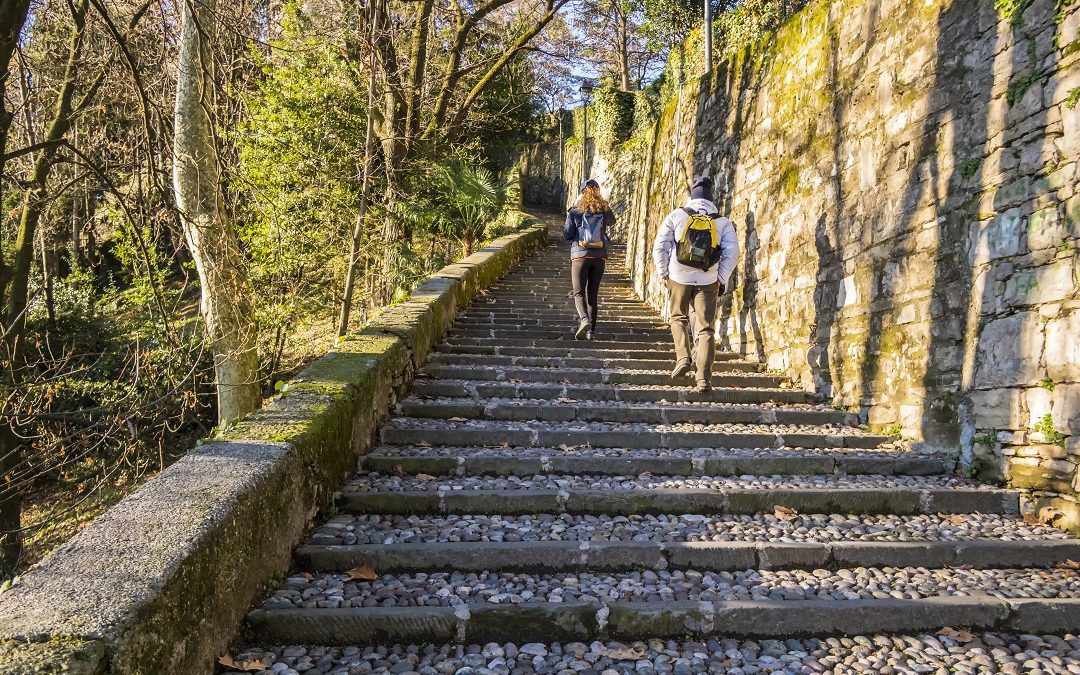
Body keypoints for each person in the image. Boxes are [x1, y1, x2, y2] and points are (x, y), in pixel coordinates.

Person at [652, 175, 739, 392]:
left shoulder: (678, 215)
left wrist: (664, 274)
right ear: (711, 199)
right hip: (708, 279)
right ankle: (703, 379)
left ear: (692, 196)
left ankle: (683, 358)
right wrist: (721, 278)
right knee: (705, 328)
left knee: (678, 317)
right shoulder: (722, 222)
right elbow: (733, 252)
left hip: (678, 276)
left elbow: (660, 246)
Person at [563, 179, 615, 340]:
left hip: (580, 256)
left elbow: (567, 235)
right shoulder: (603, 208)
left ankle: (584, 319)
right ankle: (591, 331)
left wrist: (572, 211)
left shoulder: (576, 210)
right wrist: (603, 205)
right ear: (597, 190)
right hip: (599, 256)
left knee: (579, 293)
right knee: (592, 294)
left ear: (582, 192)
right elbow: (612, 222)